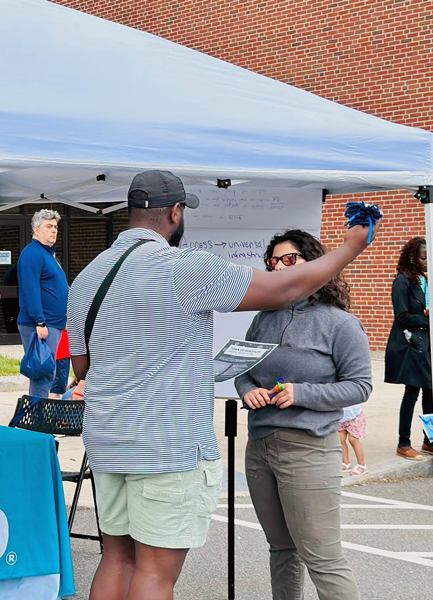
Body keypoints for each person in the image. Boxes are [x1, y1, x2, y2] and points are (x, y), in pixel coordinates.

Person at [66, 170, 379, 600]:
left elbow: (83, 366)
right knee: (155, 572)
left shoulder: (88, 276)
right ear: (175, 213)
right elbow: (285, 288)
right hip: (167, 446)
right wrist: (351, 246)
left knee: (117, 557)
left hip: (108, 441)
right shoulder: (182, 267)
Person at [235, 229, 370, 600]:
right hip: (260, 447)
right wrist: (249, 390)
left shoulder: (340, 323)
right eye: (273, 261)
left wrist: (301, 393)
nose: (279, 266)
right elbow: (245, 369)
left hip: (308, 449)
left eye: (289, 259)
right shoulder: (265, 316)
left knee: (323, 558)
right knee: (281, 550)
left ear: (315, 264)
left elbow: (360, 386)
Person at [385, 237, 433, 460]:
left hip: (428, 344)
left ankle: (429, 440)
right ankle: (404, 443)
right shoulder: (402, 281)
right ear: (412, 257)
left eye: (429, 256)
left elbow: (427, 311)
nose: (427, 261)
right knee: (412, 393)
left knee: (431, 393)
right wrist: (428, 319)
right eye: (423, 257)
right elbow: (401, 316)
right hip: (412, 346)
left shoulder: (426, 280)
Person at [17, 209, 68, 398]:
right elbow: (30, 290)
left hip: (53, 323)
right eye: (48, 226)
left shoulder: (48, 255)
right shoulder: (33, 253)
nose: (54, 230)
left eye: (55, 227)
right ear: (36, 230)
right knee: (42, 374)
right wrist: (39, 321)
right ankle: (36, 422)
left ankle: (38, 420)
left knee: (48, 374)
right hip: (40, 324)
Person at [340, 404, 367, 475]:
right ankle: (345, 463)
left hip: (355, 416)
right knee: (340, 439)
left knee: (353, 440)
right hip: (341, 417)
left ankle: (362, 465)